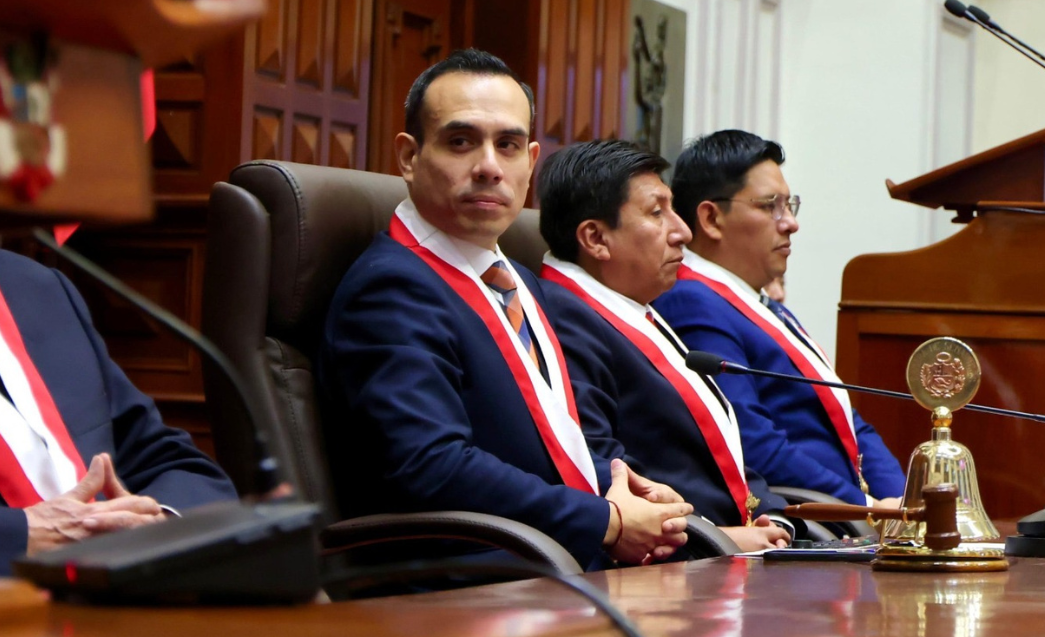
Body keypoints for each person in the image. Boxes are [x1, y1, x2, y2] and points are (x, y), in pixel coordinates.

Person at [318, 49, 691, 569]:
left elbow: (553, 434)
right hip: (473, 584)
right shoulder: (392, 287)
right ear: (408, 157)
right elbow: (431, 465)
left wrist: (626, 485)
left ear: (531, 162)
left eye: (509, 145)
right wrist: (606, 522)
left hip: (559, 565)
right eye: (461, 141)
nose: (490, 167)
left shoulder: (518, 282)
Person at [0, 238, 237, 576]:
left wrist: (154, 525)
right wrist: (21, 535)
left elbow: (171, 462)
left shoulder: (36, 287)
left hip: (113, 600)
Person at [537, 140, 796, 552]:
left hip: (727, 547)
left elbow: (722, 443)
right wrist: (717, 537)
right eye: (657, 213)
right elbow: (604, 471)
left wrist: (774, 517)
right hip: (673, 564)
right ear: (596, 238)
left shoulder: (633, 305)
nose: (683, 232)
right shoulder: (566, 319)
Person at [653, 130, 905, 507]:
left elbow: (851, 425)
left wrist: (904, 502)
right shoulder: (693, 302)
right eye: (770, 205)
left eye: (790, 205)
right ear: (711, 218)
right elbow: (753, 442)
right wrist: (866, 509)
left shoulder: (758, 301)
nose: (790, 223)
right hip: (811, 524)